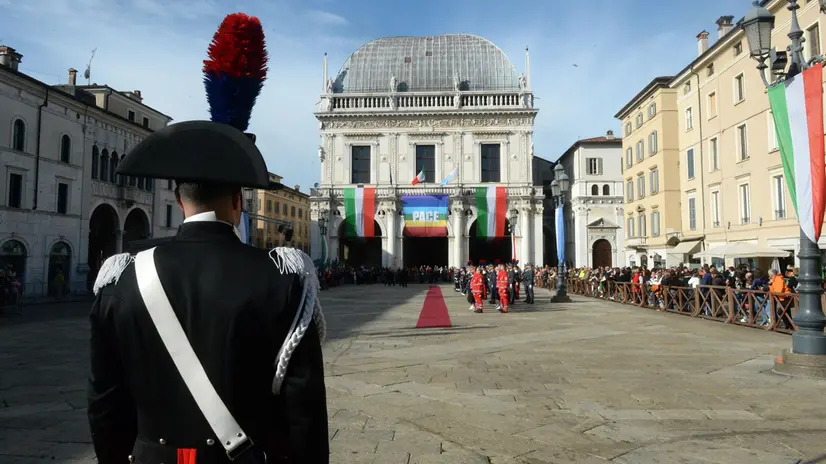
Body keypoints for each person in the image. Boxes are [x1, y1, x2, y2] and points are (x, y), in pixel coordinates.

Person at [87, 13, 329, 464]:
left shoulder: (121, 279)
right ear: (239, 198)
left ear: (178, 199)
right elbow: (304, 415)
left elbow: (105, 404)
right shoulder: (282, 281)